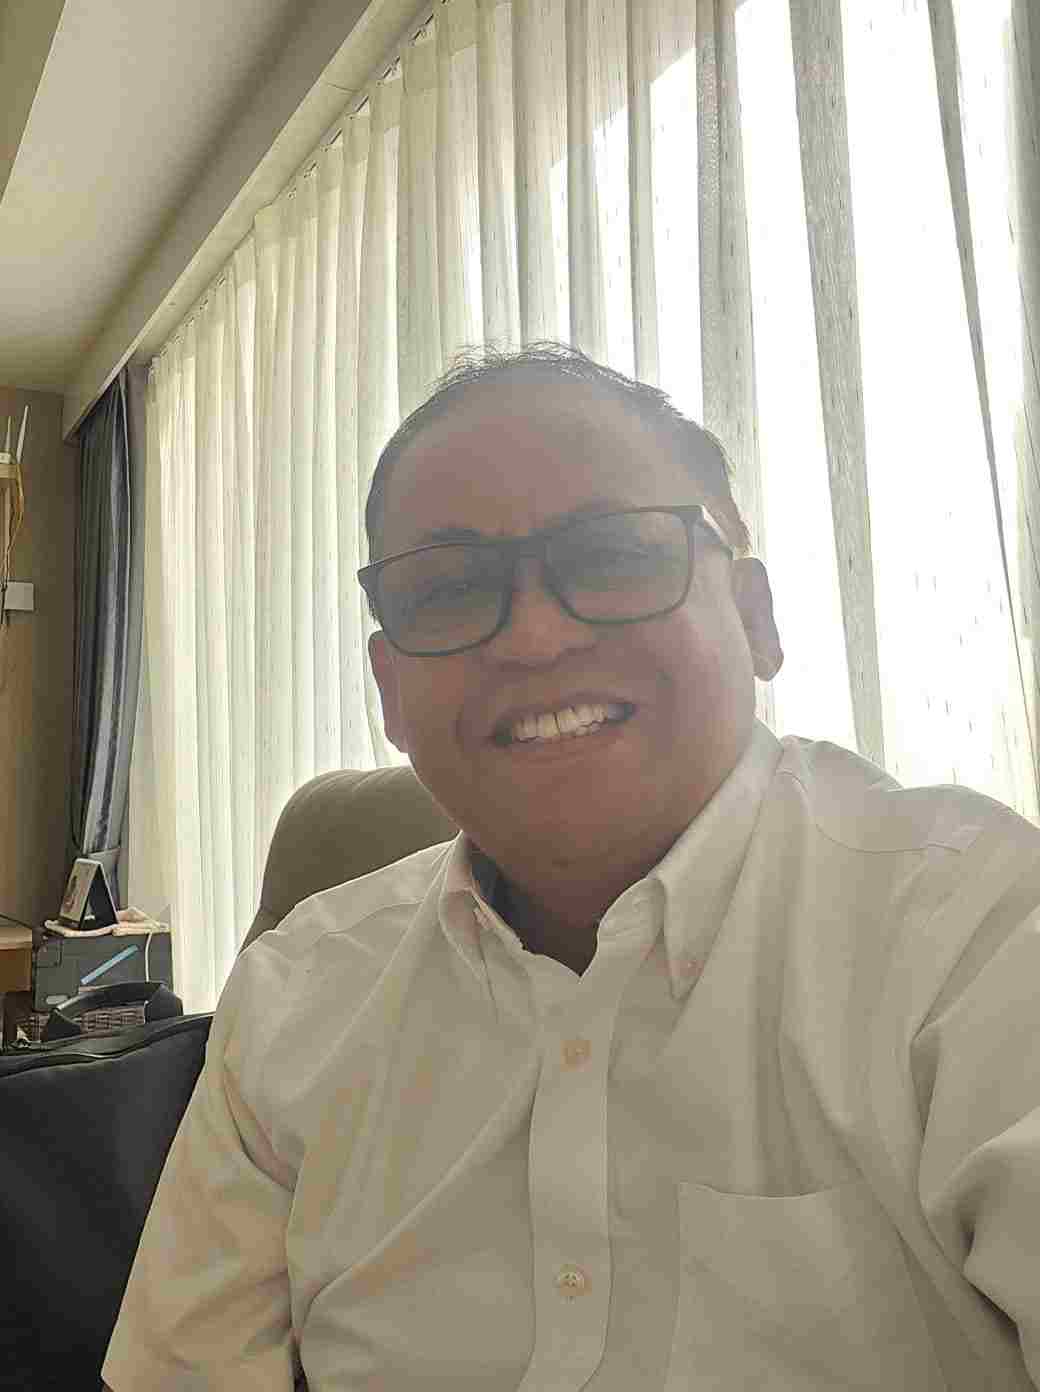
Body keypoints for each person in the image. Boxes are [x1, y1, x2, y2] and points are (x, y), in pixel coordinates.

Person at [103, 342, 1040, 1391]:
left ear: (754, 617)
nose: (536, 637)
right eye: (449, 588)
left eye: (614, 555)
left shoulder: (980, 934)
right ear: (389, 690)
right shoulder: (291, 996)